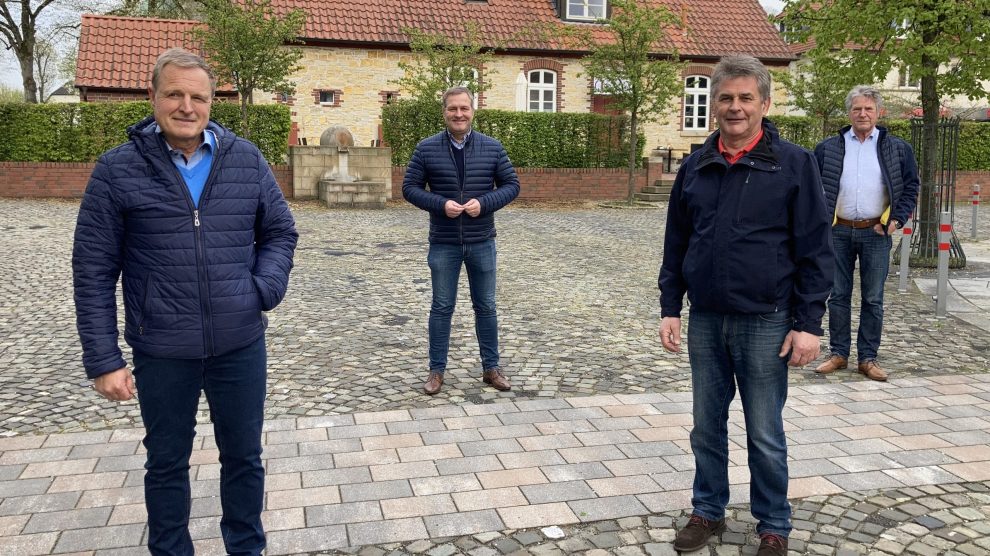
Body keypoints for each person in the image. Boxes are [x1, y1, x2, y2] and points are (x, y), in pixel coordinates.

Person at [72, 48, 298, 556]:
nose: (186, 106)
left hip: (239, 343)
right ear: (152, 96)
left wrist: (262, 289)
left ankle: (247, 548)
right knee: (167, 461)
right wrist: (103, 359)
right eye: (174, 93)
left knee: (244, 457)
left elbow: (280, 231)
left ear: (212, 101)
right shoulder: (116, 171)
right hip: (162, 347)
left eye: (198, 96)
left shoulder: (246, 159)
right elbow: (92, 269)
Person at [657, 55, 834, 556]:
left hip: (766, 319)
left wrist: (808, 323)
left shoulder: (793, 163)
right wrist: (671, 306)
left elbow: (815, 249)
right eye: (726, 98)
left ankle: (773, 524)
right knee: (705, 425)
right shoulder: (696, 165)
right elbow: (677, 242)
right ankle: (707, 510)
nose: (735, 107)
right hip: (707, 319)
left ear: (765, 103)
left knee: (764, 430)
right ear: (714, 105)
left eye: (745, 98)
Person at [402, 86, 520, 395]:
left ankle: (491, 368)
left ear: (472, 111)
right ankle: (436, 371)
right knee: (442, 306)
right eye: (453, 109)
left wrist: (486, 202)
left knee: (487, 306)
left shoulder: (492, 148)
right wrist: (440, 204)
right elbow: (409, 188)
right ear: (444, 112)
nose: (459, 114)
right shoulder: (426, 148)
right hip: (444, 242)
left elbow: (511, 185)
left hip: (482, 240)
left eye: (464, 109)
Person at [813, 86, 920, 382]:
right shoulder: (827, 148)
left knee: (873, 298)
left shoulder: (897, 148)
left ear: (878, 112)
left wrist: (896, 220)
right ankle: (838, 353)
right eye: (857, 109)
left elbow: (911, 186)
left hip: (876, 231)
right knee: (837, 296)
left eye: (868, 109)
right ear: (849, 112)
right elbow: (813, 186)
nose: (862, 114)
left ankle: (868, 357)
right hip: (837, 231)